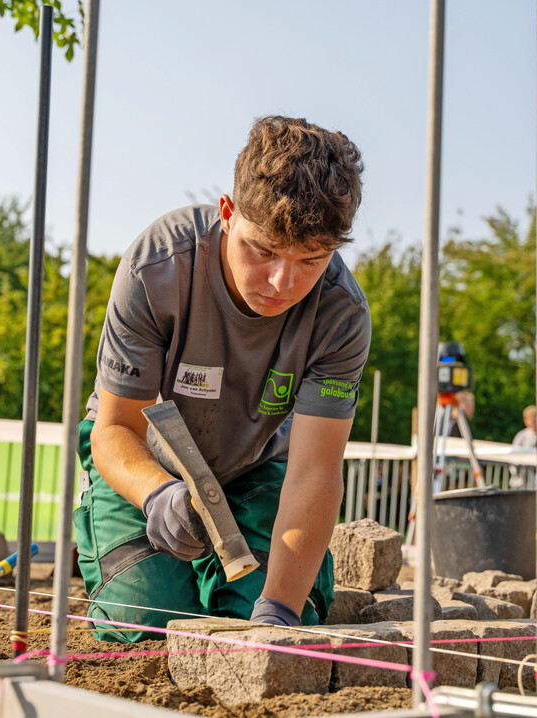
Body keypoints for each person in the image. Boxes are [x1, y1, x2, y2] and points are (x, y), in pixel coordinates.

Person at [74, 116, 370, 642]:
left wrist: (277, 612)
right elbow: (115, 429)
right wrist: (158, 495)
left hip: (255, 470)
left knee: (262, 618)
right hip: (145, 463)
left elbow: (314, 473)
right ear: (228, 214)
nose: (283, 282)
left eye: (311, 260)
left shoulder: (340, 315)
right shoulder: (158, 268)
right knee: (147, 625)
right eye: (263, 250)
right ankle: (155, 571)